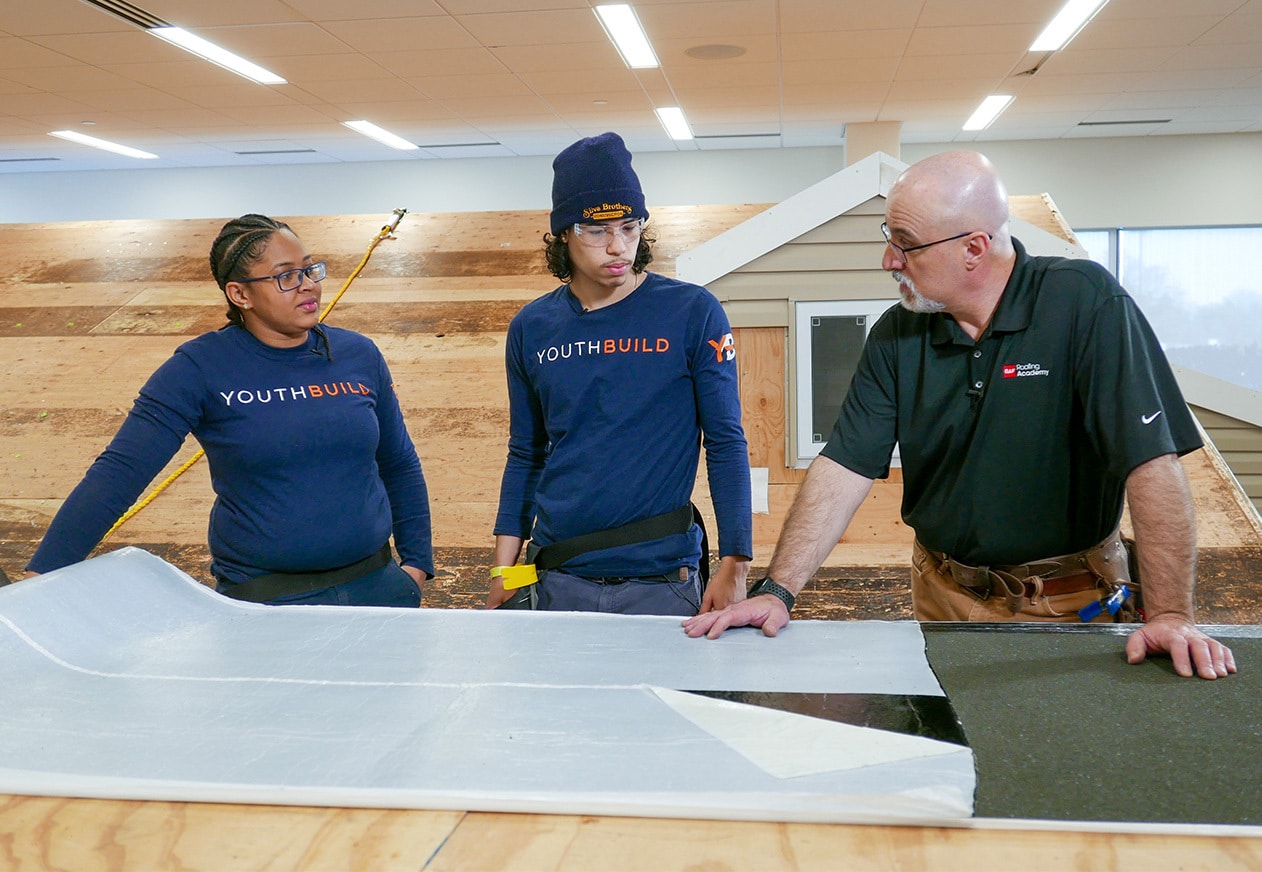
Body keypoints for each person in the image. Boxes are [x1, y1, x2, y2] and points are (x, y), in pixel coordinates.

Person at [685, 150, 1237, 680]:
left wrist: (1168, 615)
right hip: (941, 593)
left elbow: (1151, 465)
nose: (889, 260)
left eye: (906, 245)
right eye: (889, 238)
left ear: (974, 247)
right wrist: (778, 592)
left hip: (1075, 601)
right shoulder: (898, 333)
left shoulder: (1084, 304)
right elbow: (845, 466)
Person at [25, 214, 434, 606]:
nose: (307, 285)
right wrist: (39, 580)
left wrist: (415, 565)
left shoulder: (357, 353)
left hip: (377, 587)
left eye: (310, 270)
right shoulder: (199, 368)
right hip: (265, 601)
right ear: (240, 294)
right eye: (285, 276)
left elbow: (398, 462)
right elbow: (118, 474)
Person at [486, 131, 752, 616]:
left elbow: (726, 441)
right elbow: (526, 453)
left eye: (630, 227)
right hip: (557, 573)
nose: (617, 246)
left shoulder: (693, 312)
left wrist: (736, 562)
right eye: (596, 230)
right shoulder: (531, 327)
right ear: (563, 233)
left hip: (662, 578)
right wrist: (505, 570)